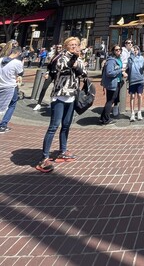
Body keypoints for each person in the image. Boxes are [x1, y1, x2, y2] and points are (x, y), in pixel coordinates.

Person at [35, 37, 87, 173]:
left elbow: (83, 72)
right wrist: (75, 60)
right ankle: (44, 158)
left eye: (76, 44)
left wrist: (78, 62)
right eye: (71, 45)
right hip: (60, 94)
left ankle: (62, 151)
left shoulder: (79, 57)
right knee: (54, 126)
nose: (74, 46)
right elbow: (63, 67)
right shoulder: (60, 57)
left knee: (66, 125)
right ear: (66, 46)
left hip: (71, 95)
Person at [99, 44, 126, 126]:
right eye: (116, 50)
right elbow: (109, 73)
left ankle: (102, 117)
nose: (118, 51)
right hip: (112, 83)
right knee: (110, 101)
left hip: (117, 81)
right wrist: (120, 71)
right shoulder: (111, 61)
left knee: (111, 100)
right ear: (113, 51)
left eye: (119, 50)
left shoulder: (118, 59)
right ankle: (106, 119)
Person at [0, 46, 24, 133]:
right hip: (10, 86)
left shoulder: (1, 59)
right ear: (19, 53)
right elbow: (20, 73)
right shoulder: (17, 62)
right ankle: (3, 125)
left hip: (1, 84)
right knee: (12, 104)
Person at [34, 44, 63, 111]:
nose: (58, 48)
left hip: (58, 74)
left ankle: (52, 102)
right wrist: (47, 72)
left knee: (55, 89)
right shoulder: (53, 55)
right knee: (44, 88)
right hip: (51, 73)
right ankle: (39, 104)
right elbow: (49, 65)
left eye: (60, 47)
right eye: (57, 47)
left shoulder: (63, 56)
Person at [126, 45, 144, 122]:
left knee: (140, 95)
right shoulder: (130, 58)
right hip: (132, 79)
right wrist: (132, 57)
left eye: (137, 50)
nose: (135, 51)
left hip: (140, 79)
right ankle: (132, 113)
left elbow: (143, 68)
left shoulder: (141, 58)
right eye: (134, 50)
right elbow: (129, 66)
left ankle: (139, 111)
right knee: (132, 96)